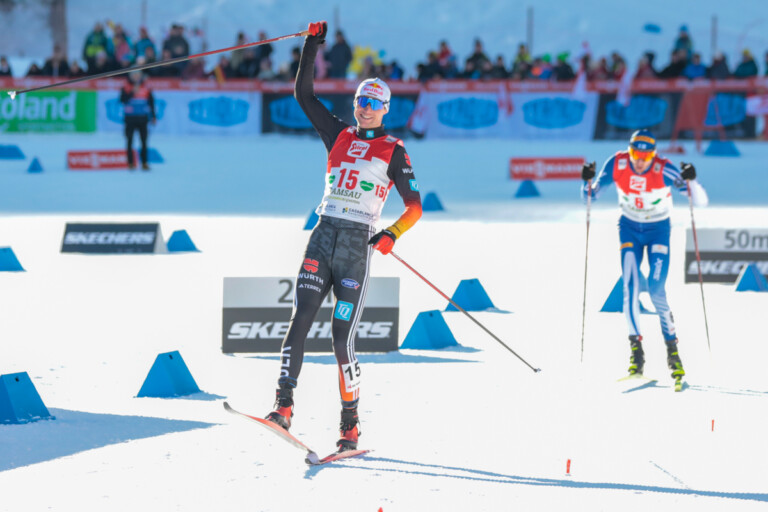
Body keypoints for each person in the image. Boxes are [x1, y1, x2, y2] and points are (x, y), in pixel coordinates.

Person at [265, 21, 422, 452]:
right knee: (300, 317)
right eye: (361, 101)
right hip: (324, 234)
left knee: (340, 337)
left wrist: (392, 233)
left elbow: (415, 207)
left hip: (356, 246)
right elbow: (304, 96)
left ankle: (349, 426)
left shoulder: (394, 149)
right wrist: (312, 46)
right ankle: (283, 405)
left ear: (386, 108)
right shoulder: (337, 134)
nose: (366, 108)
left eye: (374, 102)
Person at [580, 129, 708, 388]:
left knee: (657, 289)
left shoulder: (663, 168)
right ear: (630, 152)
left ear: (654, 154)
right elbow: (590, 196)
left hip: (658, 231)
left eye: (645, 155)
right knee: (630, 287)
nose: (640, 160)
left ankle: (672, 347)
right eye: (635, 154)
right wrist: (586, 181)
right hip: (629, 229)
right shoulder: (618, 163)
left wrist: (691, 181)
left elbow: (699, 201)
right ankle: (636, 353)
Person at [120, 67, 156, 171]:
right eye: (134, 75)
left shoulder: (146, 87)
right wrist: (132, 92)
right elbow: (122, 100)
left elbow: (151, 102)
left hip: (143, 118)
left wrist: (153, 116)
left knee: (144, 141)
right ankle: (130, 163)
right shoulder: (126, 86)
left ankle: (144, 162)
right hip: (130, 118)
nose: (136, 77)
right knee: (129, 140)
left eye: (138, 75)